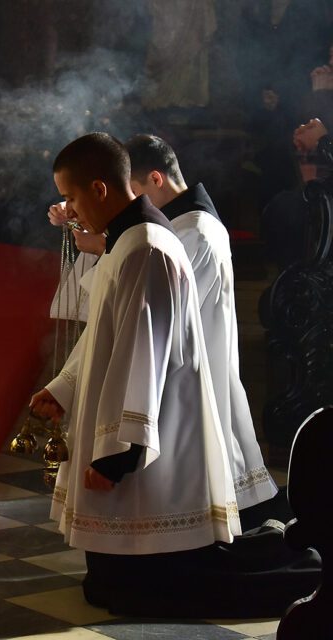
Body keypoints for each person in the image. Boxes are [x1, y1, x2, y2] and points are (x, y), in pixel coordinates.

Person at [30, 133, 319, 617]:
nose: (71, 210)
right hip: (142, 430)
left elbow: (144, 354)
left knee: (159, 583)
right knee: (119, 582)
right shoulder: (132, 241)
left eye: (74, 197)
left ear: (100, 189)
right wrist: (64, 387)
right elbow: (106, 335)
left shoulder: (148, 247)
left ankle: (307, 568)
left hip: (151, 434)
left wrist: (120, 455)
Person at [125, 134, 279, 521]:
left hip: (194, 366)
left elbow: (162, 305)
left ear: (156, 180)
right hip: (194, 360)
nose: (133, 205)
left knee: (209, 479)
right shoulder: (184, 222)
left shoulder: (192, 230)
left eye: (135, 192)